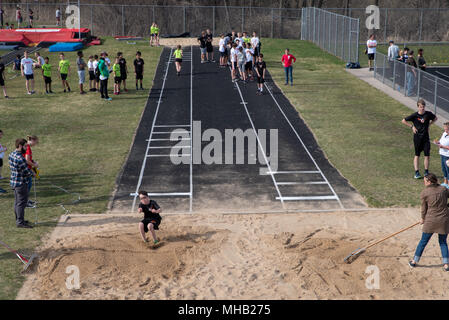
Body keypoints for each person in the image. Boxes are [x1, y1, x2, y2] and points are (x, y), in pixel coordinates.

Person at [409, 173, 449, 272]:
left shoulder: (425, 193)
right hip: (444, 220)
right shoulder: (444, 189)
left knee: (423, 242)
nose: (424, 183)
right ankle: (446, 264)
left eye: (425, 181)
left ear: (429, 182)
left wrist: (422, 218)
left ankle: (414, 261)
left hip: (430, 221)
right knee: (443, 242)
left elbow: (424, 209)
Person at [402, 99, 437, 179]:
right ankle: (417, 172)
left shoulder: (428, 114)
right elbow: (403, 120)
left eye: (423, 107)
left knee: (427, 155)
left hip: (426, 138)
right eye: (421, 107)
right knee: (417, 155)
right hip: (417, 138)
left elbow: (435, 118)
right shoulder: (414, 115)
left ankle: (426, 172)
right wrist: (412, 127)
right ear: (418, 107)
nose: (422, 108)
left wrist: (429, 125)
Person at [9, 138, 34, 228]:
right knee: (21, 203)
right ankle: (20, 222)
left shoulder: (11, 154)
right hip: (21, 183)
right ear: (20, 146)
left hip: (14, 182)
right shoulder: (20, 158)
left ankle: (19, 219)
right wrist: (33, 173)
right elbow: (27, 172)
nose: (26, 148)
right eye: (25, 146)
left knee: (17, 202)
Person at [23, 135, 38, 208]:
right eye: (36, 142)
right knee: (27, 186)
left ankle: (26, 200)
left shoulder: (27, 147)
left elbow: (28, 159)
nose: (36, 144)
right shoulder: (28, 148)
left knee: (28, 185)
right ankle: (25, 202)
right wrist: (34, 165)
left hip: (27, 168)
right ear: (33, 140)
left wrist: (33, 161)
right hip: (26, 169)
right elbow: (26, 160)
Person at [434, 123, 449, 189]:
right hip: (442, 154)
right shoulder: (444, 134)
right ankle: (445, 182)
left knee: (448, 170)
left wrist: (442, 146)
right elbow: (441, 141)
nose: (446, 130)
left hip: (447, 156)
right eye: (445, 129)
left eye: (447, 129)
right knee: (444, 169)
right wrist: (437, 142)